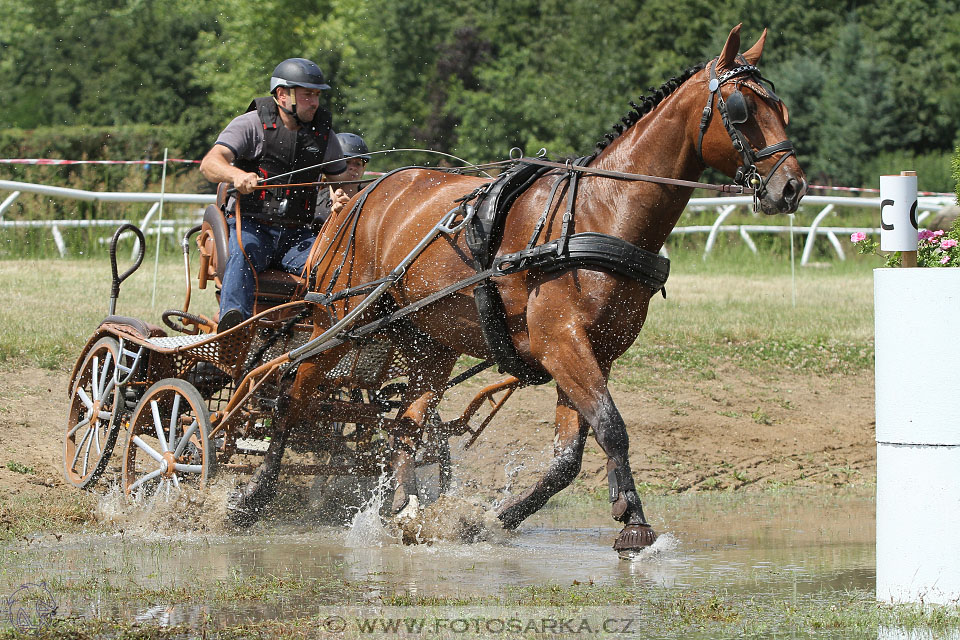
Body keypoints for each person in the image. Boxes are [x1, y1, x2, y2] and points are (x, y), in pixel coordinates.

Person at [199, 57, 350, 332]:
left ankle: (329, 333)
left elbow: (342, 181)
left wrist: (340, 196)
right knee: (243, 253)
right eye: (307, 95)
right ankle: (233, 327)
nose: (314, 102)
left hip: (298, 236)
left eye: (316, 95)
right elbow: (210, 163)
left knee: (333, 263)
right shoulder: (250, 125)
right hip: (252, 228)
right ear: (282, 95)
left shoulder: (324, 136)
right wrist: (237, 176)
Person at [313, 132, 371, 226]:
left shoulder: (370, 199)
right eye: (347, 162)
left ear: (364, 168)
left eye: (358, 163)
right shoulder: (315, 203)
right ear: (332, 165)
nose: (353, 167)